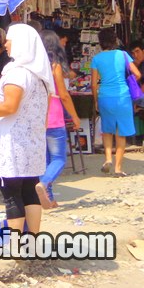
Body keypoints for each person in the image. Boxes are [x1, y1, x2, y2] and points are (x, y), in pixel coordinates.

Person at [0, 24, 54, 235]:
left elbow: (9, 107)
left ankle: (16, 246)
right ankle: (31, 243)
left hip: (13, 143)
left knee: (12, 194)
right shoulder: (39, 75)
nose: (5, 44)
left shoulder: (18, 74)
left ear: (22, 43)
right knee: (29, 190)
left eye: (9, 40)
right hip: (31, 141)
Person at [36, 30, 81, 209]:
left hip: (38, 118)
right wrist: (75, 116)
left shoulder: (35, 66)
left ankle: (49, 200)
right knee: (59, 159)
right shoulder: (54, 65)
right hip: (54, 117)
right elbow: (63, 95)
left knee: (45, 160)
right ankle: (44, 183)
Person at [90, 28, 139, 177]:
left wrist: (95, 100)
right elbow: (137, 74)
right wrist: (126, 83)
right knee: (121, 133)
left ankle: (107, 159)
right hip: (122, 96)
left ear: (100, 42)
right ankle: (118, 168)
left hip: (105, 97)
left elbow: (93, 84)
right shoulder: (123, 55)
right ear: (115, 40)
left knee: (107, 130)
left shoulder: (96, 59)